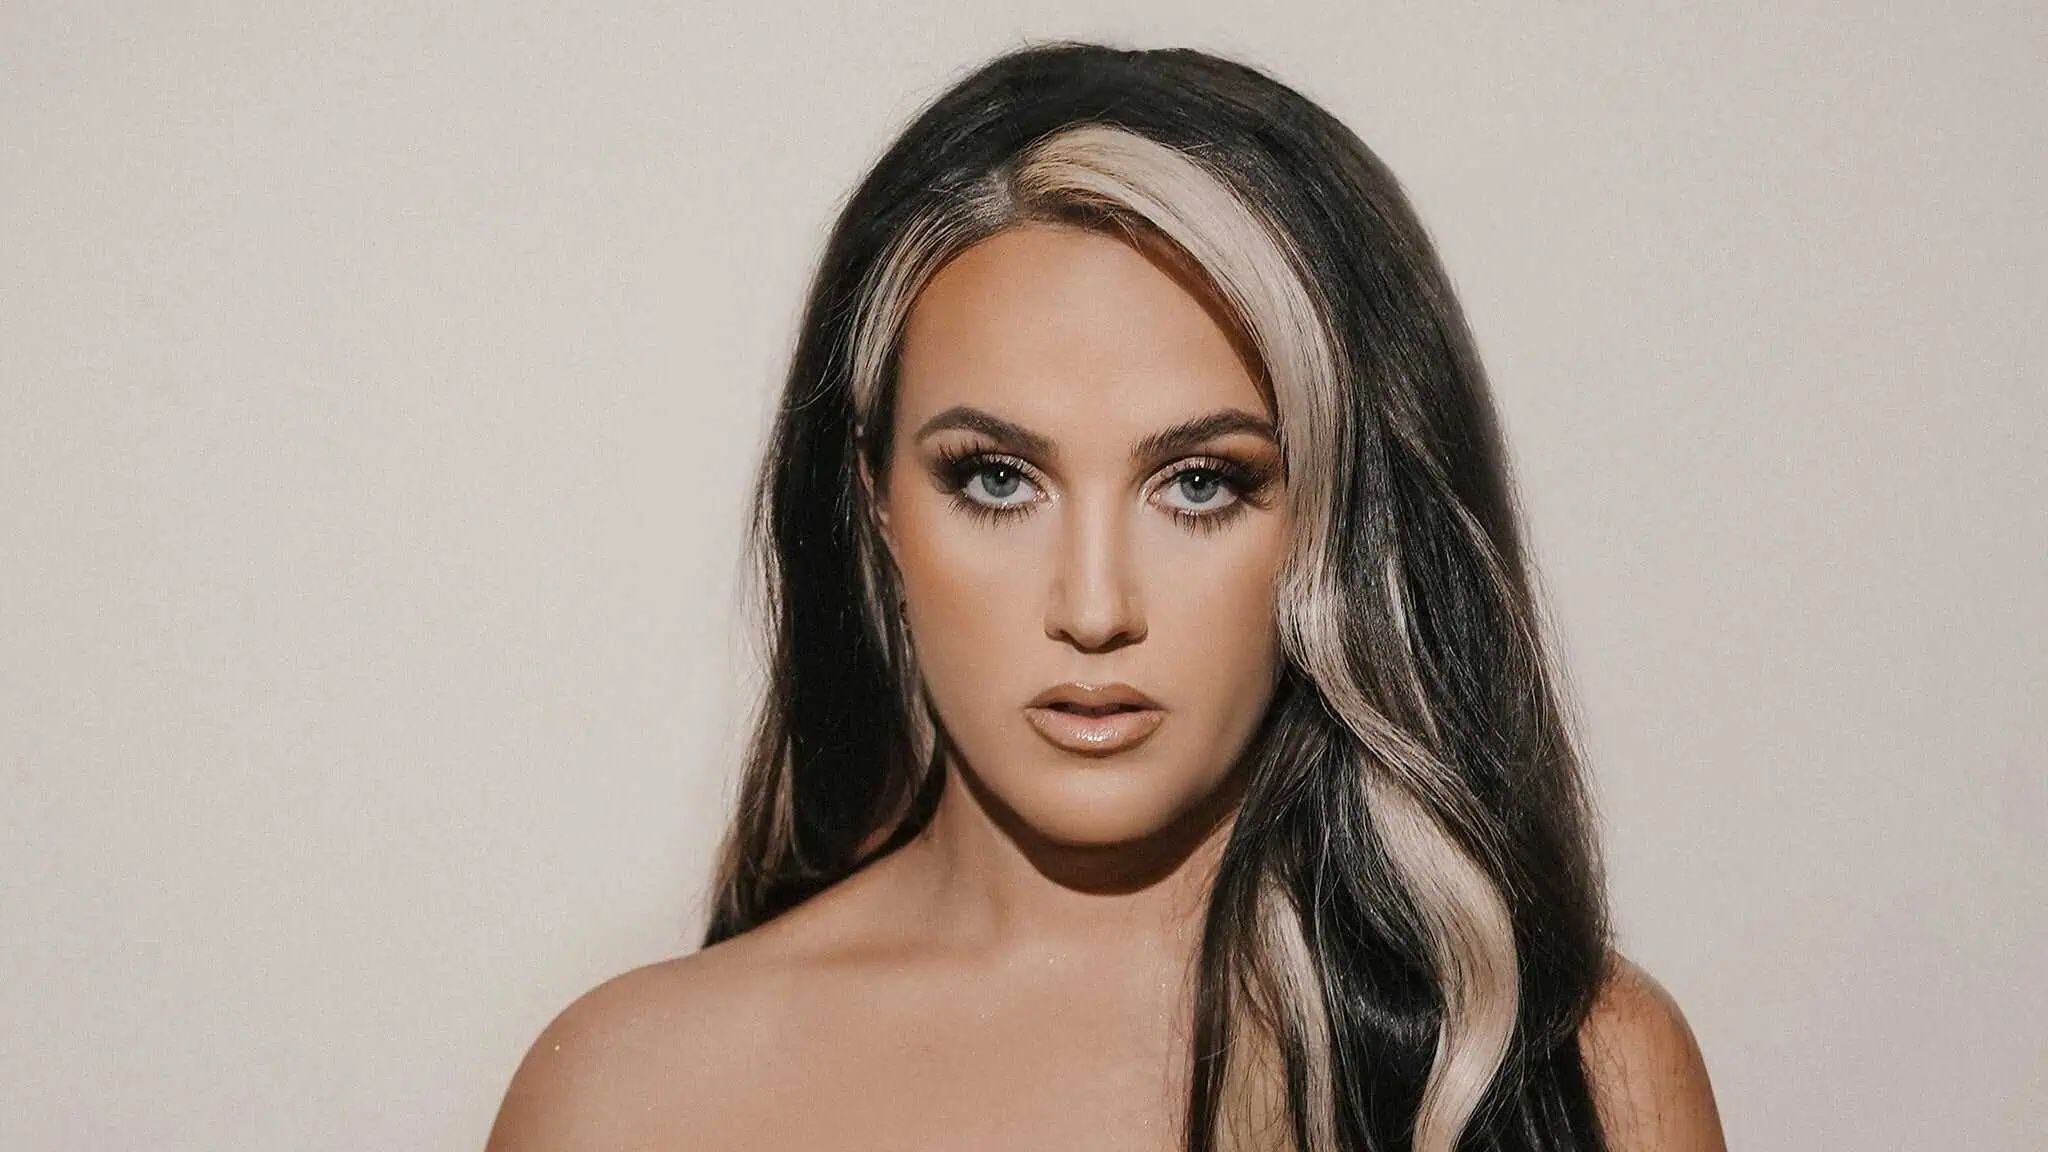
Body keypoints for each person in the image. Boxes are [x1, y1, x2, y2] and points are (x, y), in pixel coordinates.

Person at [485, 40, 1725, 1152]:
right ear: (875, 504)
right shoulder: (626, 1096)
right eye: (994, 479)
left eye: (1200, 484)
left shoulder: (1565, 1069)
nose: (1091, 608)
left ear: (1333, 519)